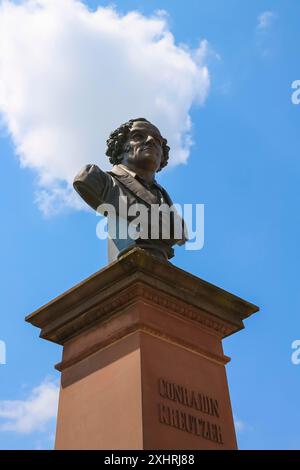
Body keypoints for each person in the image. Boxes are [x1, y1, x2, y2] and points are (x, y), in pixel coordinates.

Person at [73, 118, 188, 261]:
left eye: (158, 140)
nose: (151, 140)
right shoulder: (95, 178)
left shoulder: (174, 216)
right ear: (121, 147)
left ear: (163, 155)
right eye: (138, 136)